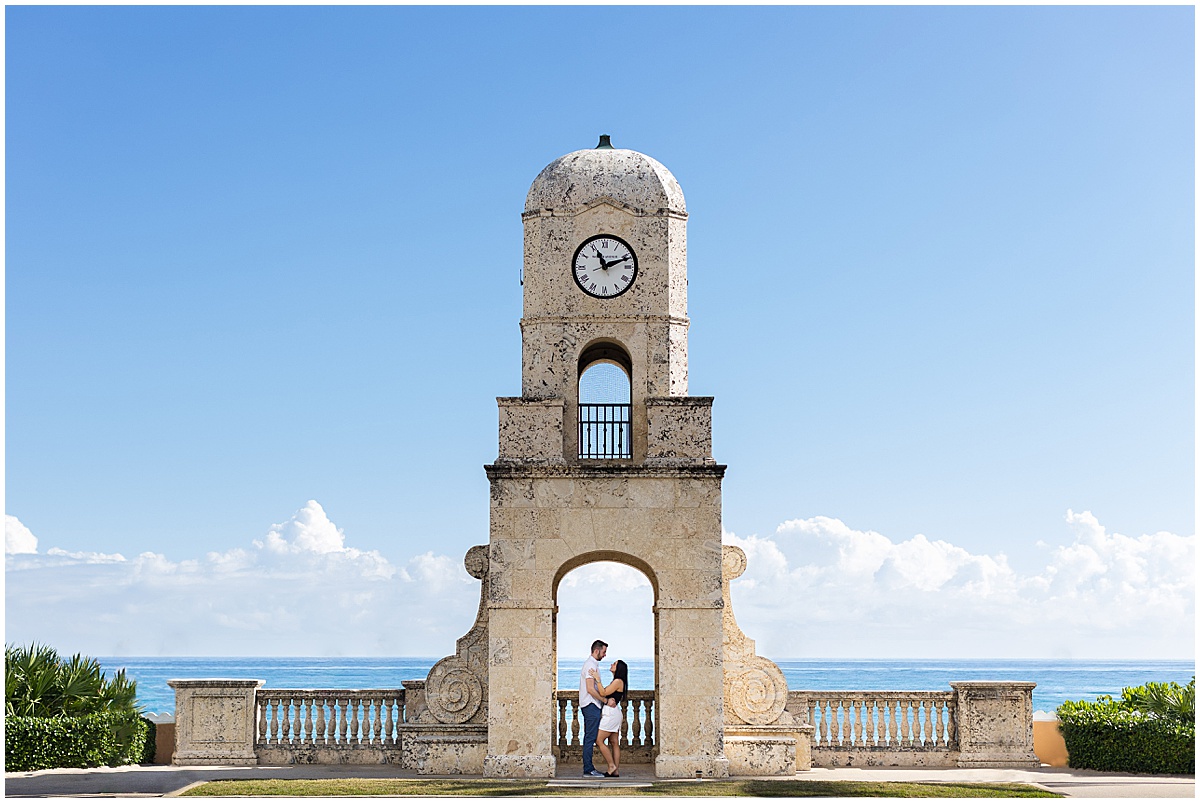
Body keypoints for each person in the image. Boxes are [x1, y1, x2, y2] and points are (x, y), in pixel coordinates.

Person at [588, 659, 628, 777]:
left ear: (619, 668)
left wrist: (597, 679)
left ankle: (611, 765)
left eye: (614, 664)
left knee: (599, 740)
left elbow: (603, 693)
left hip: (611, 715)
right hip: (614, 713)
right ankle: (615, 771)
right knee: (614, 742)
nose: (611, 664)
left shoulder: (617, 681)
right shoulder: (618, 681)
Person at [578, 639, 608, 778]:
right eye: (604, 652)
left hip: (592, 705)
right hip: (590, 705)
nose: (605, 655)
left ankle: (589, 768)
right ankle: (588, 770)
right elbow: (590, 689)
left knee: (591, 737)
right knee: (590, 738)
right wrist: (603, 700)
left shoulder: (593, 664)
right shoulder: (590, 665)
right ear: (596, 650)